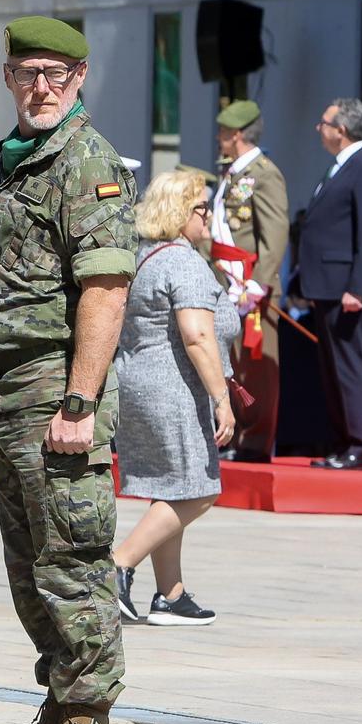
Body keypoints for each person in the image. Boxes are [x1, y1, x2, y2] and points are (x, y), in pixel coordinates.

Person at [0, 17, 135, 724]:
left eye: (55, 73)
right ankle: (60, 717)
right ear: (8, 79)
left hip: (51, 389)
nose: (40, 87)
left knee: (71, 562)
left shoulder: (85, 162)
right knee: (29, 567)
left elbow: (104, 288)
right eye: (27, 72)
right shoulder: (14, 163)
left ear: (79, 79)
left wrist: (79, 398)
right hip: (4, 389)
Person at [112, 169, 237, 628]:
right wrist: (221, 397)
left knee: (170, 486)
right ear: (183, 212)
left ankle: (171, 593)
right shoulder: (183, 260)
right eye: (203, 208)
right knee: (200, 491)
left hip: (140, 382)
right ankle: (118, 566)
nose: (209, 217)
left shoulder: (146, 254)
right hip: (174, 389)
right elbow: (197, 335)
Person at [287, 98, 362, 470]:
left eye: (324, 123)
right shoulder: (341, 166)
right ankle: (343, 440)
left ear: (341, 130)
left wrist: (357, 287)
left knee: (350, 367)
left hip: (345, 287)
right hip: (326, 284)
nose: (320, 129)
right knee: (334, 369)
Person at [208, 101, 290, 462]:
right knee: (234, 361)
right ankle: (238, 434)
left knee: (256, 365)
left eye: (224, 133)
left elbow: (275, 233)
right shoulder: (233, 174)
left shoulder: (264, 173)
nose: (219, 139)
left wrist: (259, 283)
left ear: (237, 135)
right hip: (227, 279)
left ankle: (256, 441)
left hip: (251, 284)